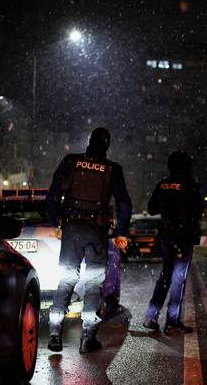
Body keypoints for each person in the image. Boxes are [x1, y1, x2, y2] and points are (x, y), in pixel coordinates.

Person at [46, 127, 132, 354]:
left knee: (66, 278)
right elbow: (124, 203)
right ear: (107, 146)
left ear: (89, 142)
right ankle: (88, 338)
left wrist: (56, 222)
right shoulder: (112, 169)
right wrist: (122, 232)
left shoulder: (71, 162)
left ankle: (54, 333)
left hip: (72, 227)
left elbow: (53, 193)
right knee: (94, 283)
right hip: (96, 230)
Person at [143, 151, 205, 334]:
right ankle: (172, 322)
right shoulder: (192, 185)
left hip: (166, 237)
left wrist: (167, 207)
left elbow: (151, 209)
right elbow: (199, 210)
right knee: (178, 280)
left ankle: (151, 317)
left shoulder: (163, 184)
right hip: (183, 238)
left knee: (165, 276)